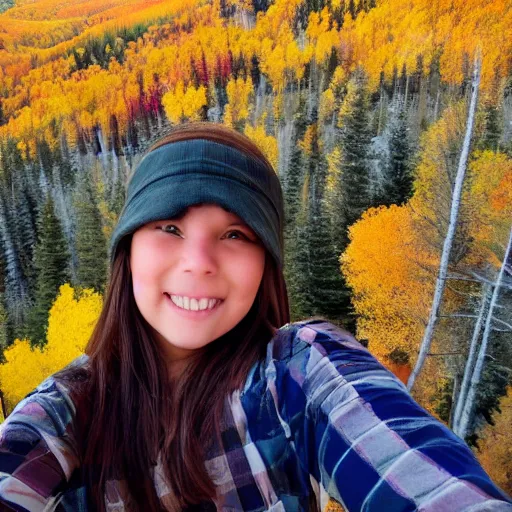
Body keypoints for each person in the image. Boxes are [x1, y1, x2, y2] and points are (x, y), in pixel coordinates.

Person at [0, 122, 510, 512]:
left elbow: (413, 471)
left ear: (265, 262)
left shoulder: (298, 375)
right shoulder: (64, 417)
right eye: (169, 227)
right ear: (127, 250)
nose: (199, 260)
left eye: (236, 234)